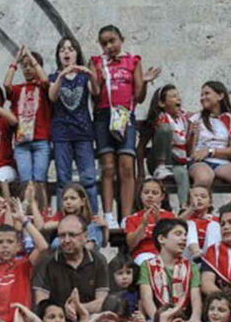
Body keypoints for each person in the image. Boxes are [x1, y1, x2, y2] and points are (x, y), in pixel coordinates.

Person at [91, 24, 158, 226]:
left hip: (124, 115)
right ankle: (109, 214)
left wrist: (145, 82)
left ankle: (126, 217)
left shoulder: (133, 61)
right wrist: (98, 79)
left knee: (127, 166)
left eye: (112, 41)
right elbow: (95, 95)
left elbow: (139, 96)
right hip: (104, 116)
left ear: (121, 39)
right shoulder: (96, 62)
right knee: (108, 166)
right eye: (104, 43)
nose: (109, 46)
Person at [48, 37, 99, 212]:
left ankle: (92, 216)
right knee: (63, 179)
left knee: (88, 178)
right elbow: (52, 96)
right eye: (62, 49)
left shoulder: (84, 76)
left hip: (83, 132)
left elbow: (96, 91)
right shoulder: (54, 77)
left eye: (70, 49)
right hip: (61, 133)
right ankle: (63, 216)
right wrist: (61, 75)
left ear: (77, 53)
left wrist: (92, 74)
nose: (66, 52)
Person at [33, 215, 110, 314]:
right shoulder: (46, 263)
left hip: (91, 318)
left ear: (85, 236)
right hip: (58, 320)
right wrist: (64, 311)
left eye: (72, 235)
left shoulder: (98, 260)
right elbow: (41, 304)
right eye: (62, 235)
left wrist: (76, 308)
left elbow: (102, 303)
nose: (66, 240)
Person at [5, 46, 52, 206]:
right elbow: (6, 85)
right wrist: (15, 61)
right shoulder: (18, 89)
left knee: (40, 179)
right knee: (25, 179)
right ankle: (26, 209)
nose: (28, 69)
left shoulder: (44, 88)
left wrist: (32, 59)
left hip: (41, 140)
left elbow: (45, 81)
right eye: (24, 66)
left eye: (31, 65)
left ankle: (43, 210)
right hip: (22, 141)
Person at [186, 81, 231, 193]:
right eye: (201, 95)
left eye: (207, 93)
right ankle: (197, 203)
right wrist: (192, 135)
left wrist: (210, 151)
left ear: (220, 96)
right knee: (204, 177)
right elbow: (190, 152)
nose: (203, 98)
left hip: (221, 161)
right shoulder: (196, 118)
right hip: (199, 161)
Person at [138, 218, 202, 322]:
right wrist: (158, 321)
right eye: (178, 234)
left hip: (183, 319)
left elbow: (195, 296)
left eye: (185, 235)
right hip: (156, 318)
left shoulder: (192, 266)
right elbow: (146, 298)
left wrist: (195, 318)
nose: (184, 238)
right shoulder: (147, 265)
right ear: (161, 239)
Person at [123, 178, 177, 265]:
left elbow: (174, 241)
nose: (150, 196)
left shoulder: (169, 216)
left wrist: (158, 221)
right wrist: (143, 225)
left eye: (154, 193)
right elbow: (131, 244)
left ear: (162, 197)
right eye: (146, 192)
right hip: (143, 254)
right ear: (140, 195)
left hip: (166, 254)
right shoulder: (132, 218)